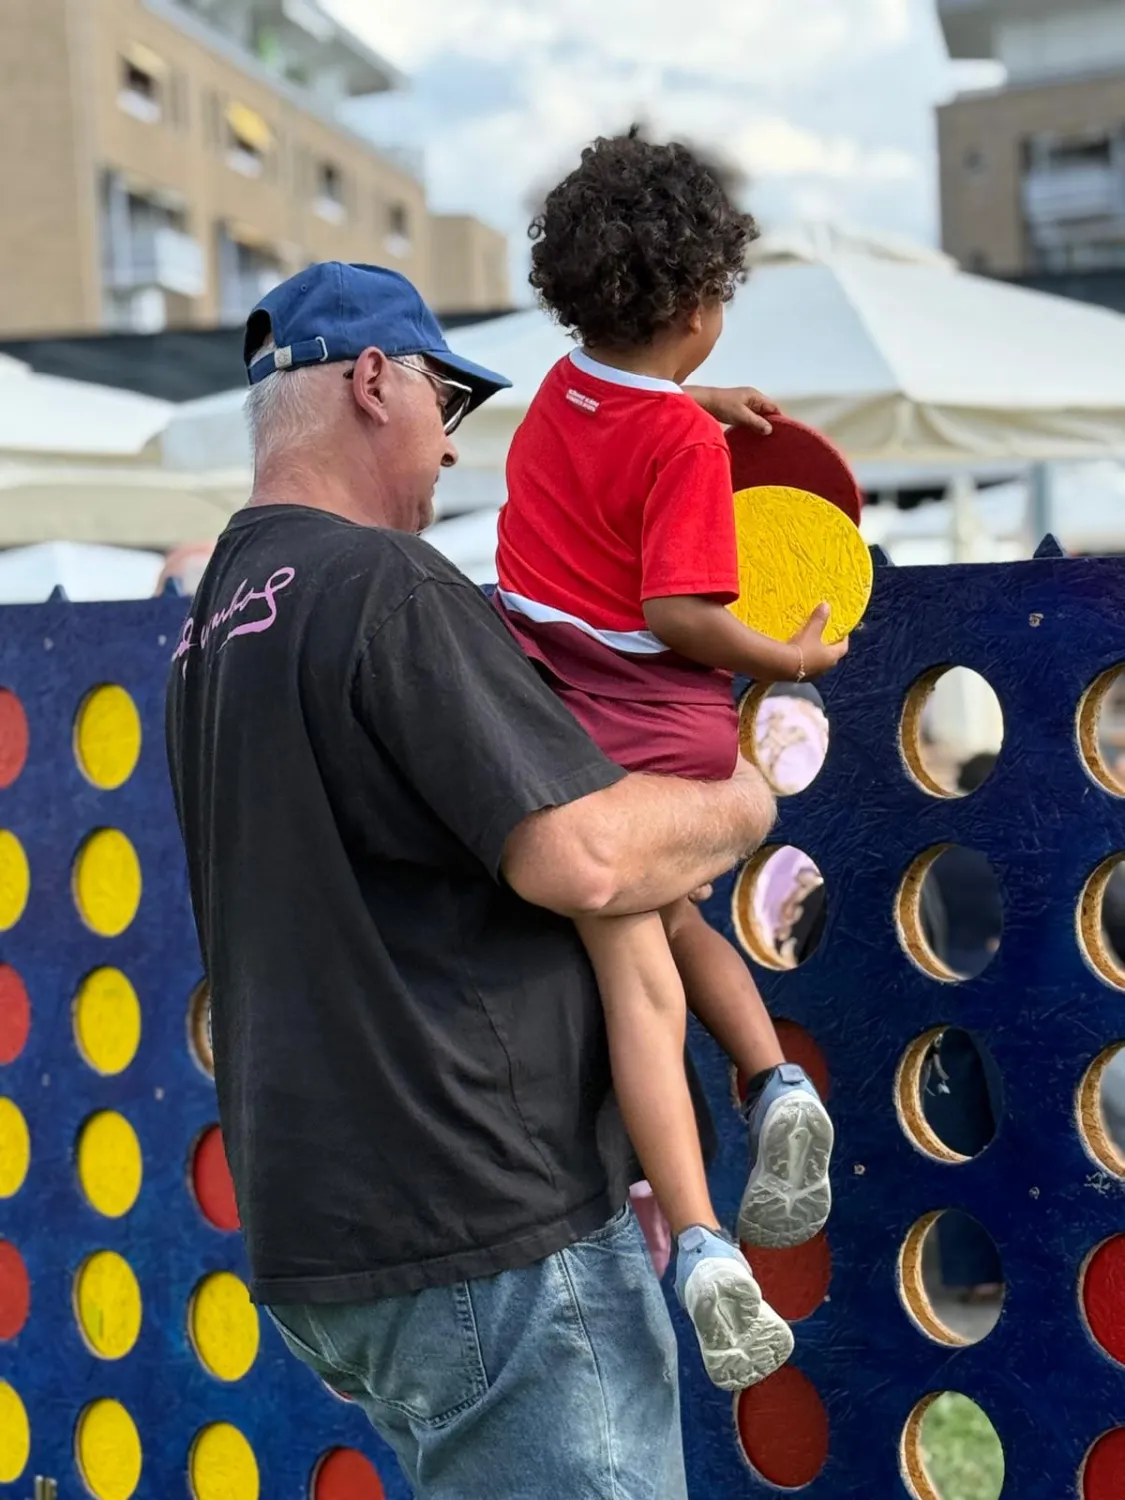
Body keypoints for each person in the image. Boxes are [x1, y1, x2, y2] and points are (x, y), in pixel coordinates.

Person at [165, 261, 782, 1500]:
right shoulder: (384, 587)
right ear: (375, 382)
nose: (452, 455)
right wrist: (748, 798)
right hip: (488, 1231)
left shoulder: (215, 621)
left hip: (330, 1235)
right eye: (446, 408)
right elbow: (585, 852)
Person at [494, 129, 846, 1391]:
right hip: (671, 728)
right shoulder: (680, 444)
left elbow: (614, 422)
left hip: (574, 732)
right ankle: (770, 1087)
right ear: (700, 309)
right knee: (678, 928)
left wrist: (696, 407)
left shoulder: (556, 392)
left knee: (636, 975)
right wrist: (787, 659)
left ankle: (700, 1243)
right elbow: (687, 612)